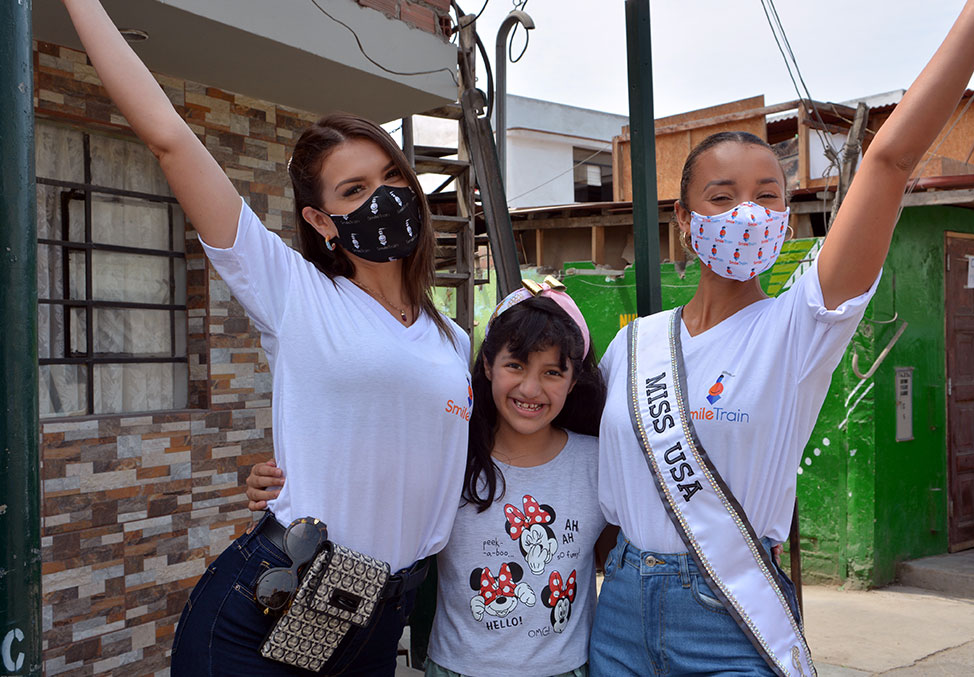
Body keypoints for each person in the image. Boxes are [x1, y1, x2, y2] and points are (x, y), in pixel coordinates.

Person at [59, 1, 472, 675]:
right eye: (356, 189)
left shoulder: (453, 340)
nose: (387, 196)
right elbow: (168, 137)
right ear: (322, 219)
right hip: (278, 599)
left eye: (394, 177)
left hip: (374, 613)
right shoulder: (296, 291)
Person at [590, 2, 974, 675]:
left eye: (768, 195)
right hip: (621, 610)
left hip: (729, 615)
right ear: (686, 223)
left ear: (787, 215)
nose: (747, 212)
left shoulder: (799, 326)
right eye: (722, 197)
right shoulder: (633, 347)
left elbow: (891, 159)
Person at [249, 282, 609, 676]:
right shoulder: (449, 455)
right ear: (487, 364)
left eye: (553, 372)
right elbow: (364, 492)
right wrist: (287, 486)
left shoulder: (598, 462)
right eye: (516, 365)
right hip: (457, 669)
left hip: (568, 668)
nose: (530, 388)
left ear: (574, 381)